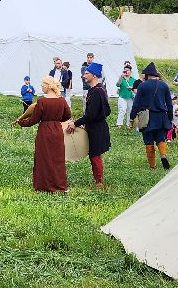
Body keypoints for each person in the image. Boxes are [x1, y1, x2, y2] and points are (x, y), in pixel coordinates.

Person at [15, 76, 72, 193]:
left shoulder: (42, 101)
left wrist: (20, 122)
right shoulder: (62, 100)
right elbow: (68, 115)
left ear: (47, 86)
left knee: (43, 158)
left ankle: (43, 185)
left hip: (44, 132)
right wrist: (57, 120)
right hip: (57, 131)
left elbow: (33, 120)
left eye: (42, 86)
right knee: (57, 159)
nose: (42, 88)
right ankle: (59, 185)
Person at [69, 62, 111, 190]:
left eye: (87, 73)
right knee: (94, 155)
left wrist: (75, 123)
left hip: (97, 128)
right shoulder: (97, 90)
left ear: (94, 75)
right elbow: (105, 111)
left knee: (95, 155)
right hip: (95, 126)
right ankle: (98, 181)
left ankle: (99, 183)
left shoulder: (97, 91)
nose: (84, 75)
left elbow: (92, 114)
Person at [130, 62, 174, 170]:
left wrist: (131, 117)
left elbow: (136, 103)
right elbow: (169, 104)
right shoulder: (164, 85)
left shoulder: (142, 85)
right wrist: (170, 118)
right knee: (160, 139)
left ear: (147, 75)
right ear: (155, 74)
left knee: (148, 141)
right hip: (162, 117)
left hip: (147, 117)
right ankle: (163, 155)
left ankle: (152, 165)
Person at [115, 63, 137, 129]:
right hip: (122, 97)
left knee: (130, 111)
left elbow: (135, 88)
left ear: (130, 71)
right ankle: (119, 124)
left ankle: (128, 124)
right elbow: (117, 85)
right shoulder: (122, 79)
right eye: (125, 70)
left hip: (130, 97)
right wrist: (120, 78)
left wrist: (132, 88)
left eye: (128, 70)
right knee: (122, 110)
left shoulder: (133, 80)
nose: (126, 72)